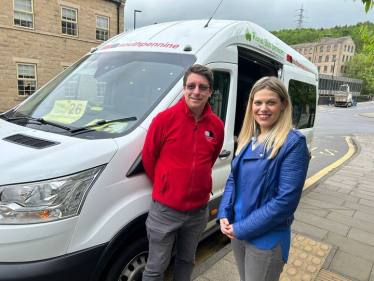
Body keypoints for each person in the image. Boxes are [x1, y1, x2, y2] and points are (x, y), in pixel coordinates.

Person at [217, 76, 310, 281]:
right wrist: (224, 212)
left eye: (271, 102)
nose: (263, 108)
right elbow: (234, 178)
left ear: (283, 104)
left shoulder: (293, 144)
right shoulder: (250, 138)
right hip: (238, 232)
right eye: (257, 102)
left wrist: (241, 228)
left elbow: (285, 202)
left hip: (265, 238)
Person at [142, 64, 225, 281]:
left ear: (210, 91)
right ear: (184, 88)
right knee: (155, 268)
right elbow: (149, 157)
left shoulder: (216, 126)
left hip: (198, 211)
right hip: (165, 210)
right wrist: (164, 185)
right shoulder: (163, 120)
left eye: (202, 87)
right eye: (192, 86)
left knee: (186, 261)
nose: (196, 91)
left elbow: (211, 158)